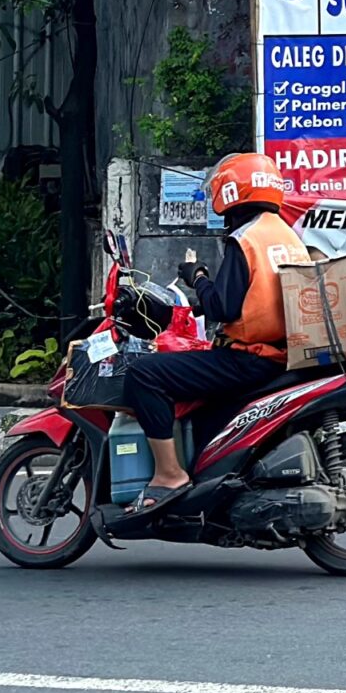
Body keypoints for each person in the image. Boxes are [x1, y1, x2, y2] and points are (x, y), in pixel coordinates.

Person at [119, 152, 309, 515]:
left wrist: (197, 275)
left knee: (144, 375)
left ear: (232, 191)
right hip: (278, 353)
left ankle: (169, 474)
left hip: (250, 357)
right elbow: (253, 298)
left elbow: (224, 307)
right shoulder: (284, 233)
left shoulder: (246, 239)